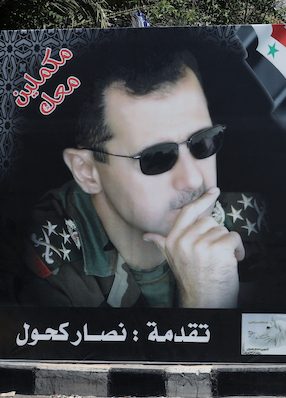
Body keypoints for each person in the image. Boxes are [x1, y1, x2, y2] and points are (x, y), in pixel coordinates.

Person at [21, 44, 266, 308]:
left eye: (203, 142)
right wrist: (206, 302)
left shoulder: (260, 224)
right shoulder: (38, 263)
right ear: (87, 171)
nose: (194, 180)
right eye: (157, 158)